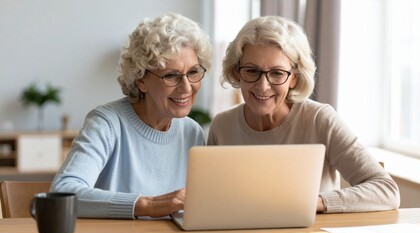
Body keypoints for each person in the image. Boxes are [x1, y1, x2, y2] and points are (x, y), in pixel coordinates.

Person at [207, 16, 400, 213]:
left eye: (277, 73)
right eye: (251, 71)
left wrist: (315, 202)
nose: (263, 86)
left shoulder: (320, 119)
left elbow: (386, 190)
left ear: (294, 78)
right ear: (237, 72)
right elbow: (210, 200)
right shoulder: (222, 126)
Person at [51, 13, 212, 219]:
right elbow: (63, 192)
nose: (187, 87)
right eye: (171, 75)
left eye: (193, 72)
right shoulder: (107, 123)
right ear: (140, 80)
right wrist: (147, 204)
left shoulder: (192, 132)